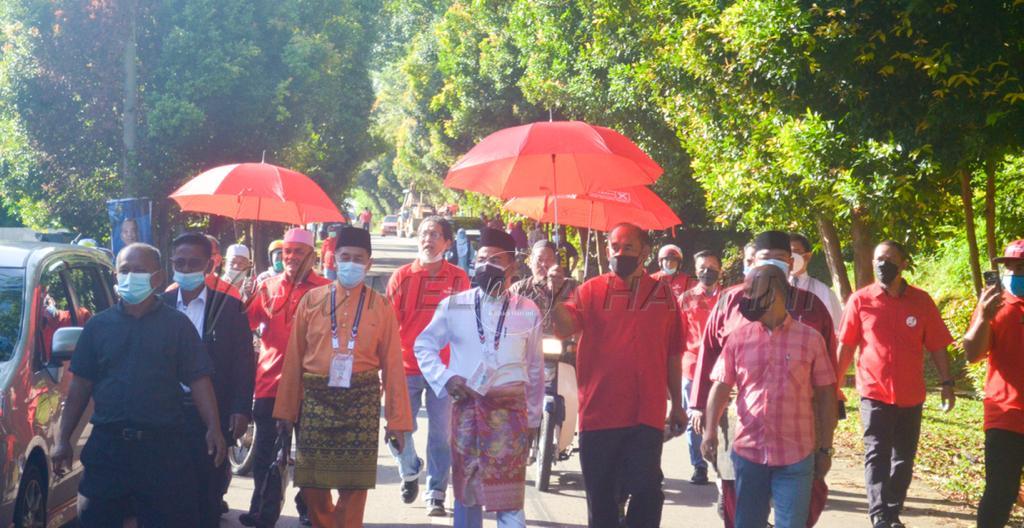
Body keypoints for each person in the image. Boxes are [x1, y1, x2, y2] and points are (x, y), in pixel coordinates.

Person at [52, 243, 226, 527]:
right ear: (116, 276)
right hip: (108, 448)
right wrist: (63, 440)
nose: (130, 276)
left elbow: (199, 379)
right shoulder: (98, 327)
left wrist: (213, 428)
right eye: (124, 270)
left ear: (157, 278)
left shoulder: (177, 326)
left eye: (139, 270)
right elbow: (80, 387)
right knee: (95, 520)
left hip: (162, 451)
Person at [690, 231, 837, 528]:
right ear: (751, 263)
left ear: (792, 263)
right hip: (739, 422)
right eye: (764, 258)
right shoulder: (729, 301)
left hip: (798, 427)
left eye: (781, 259)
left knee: (797, 513)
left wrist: (825, 442)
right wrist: (698, 408)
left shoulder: (812, 306)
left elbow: (826, 380)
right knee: (738, 504)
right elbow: (709, 355)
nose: (772, 264)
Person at [274, 227, 413, 528]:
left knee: (355, 485)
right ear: (334, 260)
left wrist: (398, 421)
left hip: (360, 400)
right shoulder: (311, 300)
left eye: (358, 258)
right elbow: (295, 359)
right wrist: (286, 411)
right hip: (316, 400)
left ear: (369, 264)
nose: (351, 263)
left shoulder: (381, 306)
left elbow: (392, 364)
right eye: (345, 257)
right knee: (312, 484)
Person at [552, 223, 686, 528]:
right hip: (599, 414)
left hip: (646, 415)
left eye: (628, 247)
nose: (619, 253)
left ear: (645, 252)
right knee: (601, 502)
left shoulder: (663, 295)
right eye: (614, 247)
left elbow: (673, 353)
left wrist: (677, 404)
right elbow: (564, 327)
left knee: (647, 492)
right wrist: (556, 294)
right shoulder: (590, 290)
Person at [415, 227, 544, 528]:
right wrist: (445, 378)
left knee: (509, 496)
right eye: (482, 258)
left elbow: (535, 369)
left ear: (512, 266)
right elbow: (424, 345)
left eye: (495, 260)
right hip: (467, 410)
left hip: (510, 416)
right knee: (467, 492)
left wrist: (534, 420)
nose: (487, 266)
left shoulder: (528, 311)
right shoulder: (454, 305)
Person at [837, 240, 956, 528]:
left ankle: (892, 510)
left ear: (904, 264)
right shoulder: (861, 300)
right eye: (878, 258)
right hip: (873, 393)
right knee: (876, 453)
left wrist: (947, 382)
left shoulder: (922, 301)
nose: (882, 264)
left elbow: (938, 345)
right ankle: (879, 514)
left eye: (889, 259)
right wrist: (834, 384)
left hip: (910, 396)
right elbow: (846, 345)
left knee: (903, 459)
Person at [164, 232, 256, 527]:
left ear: (209, 265)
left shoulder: (228, 307)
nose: (186, 268)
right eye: (180, 262)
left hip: (212, 415)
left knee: (207, 495)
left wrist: (241, 409)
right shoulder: (159, 305)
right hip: (165, 414)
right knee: (167, 495)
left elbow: (243, 361)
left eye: (194, 263)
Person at [242, 228, 330, 527]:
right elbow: (247, 323)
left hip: (312, 385)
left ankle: (307, 508)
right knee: (265, 451)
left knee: (308, 453)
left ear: (313, 256)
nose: (290, 258)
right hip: (270, 382)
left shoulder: (328, 290)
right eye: (286, 252)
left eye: (298, 252)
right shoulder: (267, 287)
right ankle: (261, 510)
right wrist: (242, 297)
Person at [386, 216, 470, 516]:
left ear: (447, 243)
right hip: (405, 365)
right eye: (423, 233)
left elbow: (465, 325)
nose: (427, 239)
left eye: (435, 234)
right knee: (398, 430)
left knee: (441, 435)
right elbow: (388, 325)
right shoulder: (401, 277)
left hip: (444, 371)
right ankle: (409, 470)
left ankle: (436, 492)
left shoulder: (459, 278)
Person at [965, 239, 1024, 528]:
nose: (1013, 272)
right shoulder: (994, 304)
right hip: (1005, 415)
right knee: (1001, 492)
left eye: (1020, 267)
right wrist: (985, 318)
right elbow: (973, 353)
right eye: (1009, 267)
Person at [676, 249, 723, 486]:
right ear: (695, 271)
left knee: (720, 417)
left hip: (723, 369)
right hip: (692, 366)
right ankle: (699, 466)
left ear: (720, 270)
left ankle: (720, 465)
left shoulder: (728, 299)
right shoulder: (685, 299)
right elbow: (678, 336)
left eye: (712, 267)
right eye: (702, 267)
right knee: (694, 418)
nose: (707, 271)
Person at [510, 240, 578, 336]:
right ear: (530, 262)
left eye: (549, 259)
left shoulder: (571, 286)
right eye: (539, 260)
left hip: (563, 342)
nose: (544, 265)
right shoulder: (518, 289)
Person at [789, 233, 843, 329]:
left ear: (808, 256)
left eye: (795, 252)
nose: (791, 257)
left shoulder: (824, 292)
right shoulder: (774, 289)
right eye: (787, 253)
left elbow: (837, 329)